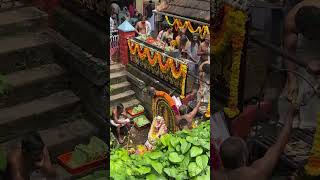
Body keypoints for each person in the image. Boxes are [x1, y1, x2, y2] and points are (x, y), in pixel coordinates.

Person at [213, 105, 296, 180]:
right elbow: (280, 143)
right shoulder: (256, 174)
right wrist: (290, 115)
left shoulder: (213, 175)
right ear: (244, 157)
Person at [281, 1, 320, 129]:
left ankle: (311, 123)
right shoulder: (291, 21)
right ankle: (291, 116)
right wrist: (292, 79)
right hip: (307, 32)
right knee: (301, 74)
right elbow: (289, 50)